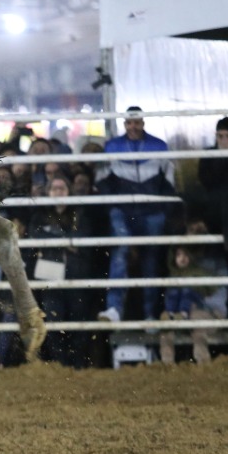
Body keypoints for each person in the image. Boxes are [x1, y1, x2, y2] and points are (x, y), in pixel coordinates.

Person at [96, 106, 176, 324]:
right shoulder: (112, 147)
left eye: (137, 122)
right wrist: (112, 208)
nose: (133, 126)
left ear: (143, 122)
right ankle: (114, 309)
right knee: (121, 252)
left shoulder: (159, 146)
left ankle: (151, 314)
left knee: (152, 260)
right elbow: (102, 181)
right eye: (130, 122)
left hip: (152, 211)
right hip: (123, 210)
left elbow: (170, 182)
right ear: (124, 124)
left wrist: (164, 210)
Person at [28, 175, 95, 368]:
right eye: (54, 189)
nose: (58, 192)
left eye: (62, 188)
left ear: (69, 191)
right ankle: (60, 364)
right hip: (50, 273)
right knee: (54, 319)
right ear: (48, 193)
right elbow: (36, 235)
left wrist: (54, 240)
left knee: (78, 319)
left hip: (76, 273)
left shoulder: (80, 213)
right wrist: (67, 241)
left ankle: (78, 365)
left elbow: (84, 237)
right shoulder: (40, 215)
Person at [157, 246, 219, 365]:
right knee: (166, 330)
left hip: (199, 311)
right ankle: (167, 365)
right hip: (177, 314)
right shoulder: (171, 276)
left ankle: (203, 363)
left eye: (186, 254)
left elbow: (214, 294)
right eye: (179, 255)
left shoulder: (201, 273)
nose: (183, 258)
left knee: (198, 325)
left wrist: (215, 312)